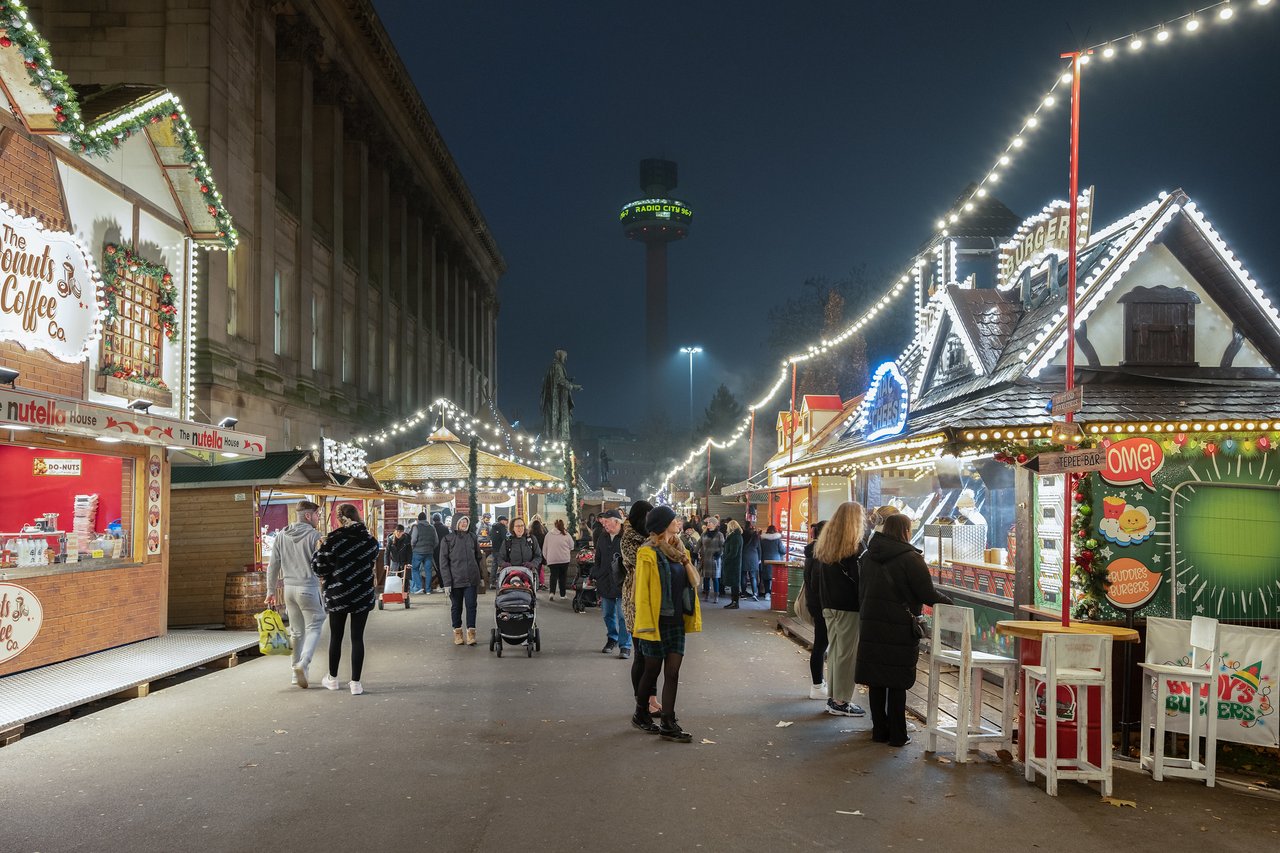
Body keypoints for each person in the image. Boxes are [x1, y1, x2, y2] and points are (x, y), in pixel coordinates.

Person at [857, 513, 953, 746]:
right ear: (905, 531)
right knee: (897, 680)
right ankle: (898, 735)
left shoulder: (868, 556)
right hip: (899, 626)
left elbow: (862, 590)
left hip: (871, 623)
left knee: (877, 678)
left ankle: (879, 731)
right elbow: (926, 594)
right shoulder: (911, 558)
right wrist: (950, 603)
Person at [633, 505, 702, 742]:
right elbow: (641, 593)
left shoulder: (680, 551)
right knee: (651, 671)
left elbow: (688, 587)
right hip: (655, 621)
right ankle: (640, 712)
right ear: (664, 524)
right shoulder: (648, 553)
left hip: (676, 621)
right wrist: (643, 625)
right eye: (674, 519)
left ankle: (668, 722)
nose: (679, 522)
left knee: (672, 672)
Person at [311, 503, 379, 695]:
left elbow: (319, 568)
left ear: (339, 519)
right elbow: (371, 560)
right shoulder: (370, 540)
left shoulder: (333, 540)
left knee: (336, 636)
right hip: (362, 594)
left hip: (338, 594)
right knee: (357, 637)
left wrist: (319, 550)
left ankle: (332, 679)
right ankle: (356, 683)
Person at [814, 501, 868, 718]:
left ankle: (833, 698)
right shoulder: (855, 546)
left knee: (836, 652)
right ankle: (841, 701)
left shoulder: (827, 542)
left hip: (828, 605)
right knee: (847, 655)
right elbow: (860, 579)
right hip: (849, 607)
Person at [264, 499, 324, 689]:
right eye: (317, 515)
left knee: (297, 632)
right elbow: (323, 564)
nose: (318, 518)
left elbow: (273, 565)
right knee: (315, 625)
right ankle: (304, 663)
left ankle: (294, 672)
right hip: (309, 587)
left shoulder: (282, 535)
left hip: (289, 590)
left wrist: (270, 590)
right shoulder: (316, 536)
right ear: (308, 515)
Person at [620, 500, 655, 677]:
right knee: (640, 654)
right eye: (647, 516)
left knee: (652, 657)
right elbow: (643, 562)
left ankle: (650, 697)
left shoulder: (651, 536)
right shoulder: (629, 538)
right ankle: (640, 699)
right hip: (634, 596)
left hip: (652, 597)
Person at [440, 514, 485, 645]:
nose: (464, 524)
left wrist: (480, 576)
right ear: (456, 523)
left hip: (471, 579)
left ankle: (471, 633)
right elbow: (443, 563)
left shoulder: (472, 537)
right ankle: (458, 633)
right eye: (462, 522)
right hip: (455, 580)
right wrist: (447, 583)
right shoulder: (447, 540)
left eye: (466, 522)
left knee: (471, 606)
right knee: (456, 607)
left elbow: (478, 558)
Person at [591, 508, 628, 656]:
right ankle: (612, 638)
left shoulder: (626, 538)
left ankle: (625, 644)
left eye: (607, 522)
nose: (604, 524)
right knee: (607, 614)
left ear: (616, 522)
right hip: (605, 581)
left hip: (622, 582)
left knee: (622, 615)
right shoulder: (602, 537)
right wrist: (597, 573)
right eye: (603, 522)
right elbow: (598, 558)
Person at [801, 520, 829, 700]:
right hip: (822, 605)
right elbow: (818, 584)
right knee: (821, 644)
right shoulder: (821, 555)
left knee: (820, 644)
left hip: (814, 604)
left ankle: (818, 684)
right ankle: (818, 686)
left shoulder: (812, 552)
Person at [498, 517, 544, 585]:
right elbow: (500, 558)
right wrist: (504, 564)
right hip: (511, 574)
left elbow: (538, 556)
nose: (520, 528)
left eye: (522, 525)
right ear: (512, 528)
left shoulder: (531, 539)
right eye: (517, 526)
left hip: (528, 574)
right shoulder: (507, 541)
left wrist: (532, 564)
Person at [542, 518, 575, 601]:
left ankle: (551, 593)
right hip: (564, 559)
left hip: (552, 559)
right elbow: (572, 546)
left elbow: (544, 548)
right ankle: (562, 595)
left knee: (553, 576)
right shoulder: (566, 534)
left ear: (554, 525)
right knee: (562, 577)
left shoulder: (549, 535)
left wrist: (547, 557)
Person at [408, 512, 438, 595]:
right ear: (426, 519)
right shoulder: (432, 528)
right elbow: (436, 541)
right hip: (429, 552)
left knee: (414, 569)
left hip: (417, 552)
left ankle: (419, 587)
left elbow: (413, 540)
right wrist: (431, 548)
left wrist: (413, 548)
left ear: (418, 519)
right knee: (428, 571)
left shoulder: (416, 527)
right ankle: (428, 590)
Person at [696, 518, 724, 603]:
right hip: (706, 559)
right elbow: (699, 544)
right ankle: (707, 595)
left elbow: (723, 546)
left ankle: (716, 596)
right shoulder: (704, 534)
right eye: (708, 522)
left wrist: (719, 553)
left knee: (715, 579)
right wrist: (695, 552)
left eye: (710, 522)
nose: (708, 523)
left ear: (715, 524)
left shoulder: (719, 535)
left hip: (715, 559)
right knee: (706, 578)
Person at [721, 519, 744, 609]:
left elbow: (733, 552)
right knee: (734, 583)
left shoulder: (735, 537)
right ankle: (733, 601)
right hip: (734, 563)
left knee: (734, 584)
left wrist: (725, 559)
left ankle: (735, 602)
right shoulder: (736, 536)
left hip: (733, 564)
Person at [385, 523, 412, 593]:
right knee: (393, 578)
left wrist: (409, 563)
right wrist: (386, 564)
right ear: (395, 531)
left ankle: (405, 593)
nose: (398, 533)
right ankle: (394, 593)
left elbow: (410, 552)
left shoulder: (407, 539)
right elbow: (387, 552)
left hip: (404, 561)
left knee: (405, 578)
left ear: (403, 532)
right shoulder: (390, 539)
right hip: (394, 561)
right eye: (397, 531)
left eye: (400, 532)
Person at [759, 523, 784, 598]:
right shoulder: (778, 540)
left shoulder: (763, 540)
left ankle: (767, 593)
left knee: (766, 577)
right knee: (775, 577)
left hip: (765, 560)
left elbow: (760, 550)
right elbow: (782, 550)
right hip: (776, 561)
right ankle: (774, 592)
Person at [741, 521, 762, 601]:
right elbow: (759, 548)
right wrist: (759, 558)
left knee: (743, 576)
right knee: (753, 576)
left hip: (744, 556)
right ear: (750, 526)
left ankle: (743, 593)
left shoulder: (742, 535)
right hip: (753, 557)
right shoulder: (755, 536)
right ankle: (755, 593)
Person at [488, 515, 509, 592]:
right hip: (501, 550)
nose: (506, 522)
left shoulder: (493, 527)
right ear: (502, 521)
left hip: (494, 549)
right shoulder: (502, 527)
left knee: (494, 566)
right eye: (505, 520)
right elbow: (505, 538)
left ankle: (492, 582)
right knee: (503, 565)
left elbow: (490, 536)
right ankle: (502, 581)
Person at [431, 512, 450, 590]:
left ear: (433, 520)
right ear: (441, 519)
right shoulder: (445, 528)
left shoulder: (432, 528)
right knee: (445, 566)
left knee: (438, 568)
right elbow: (449, 539)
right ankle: (445, 584)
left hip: (435, 550)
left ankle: (441, 584)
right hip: (445, 549)